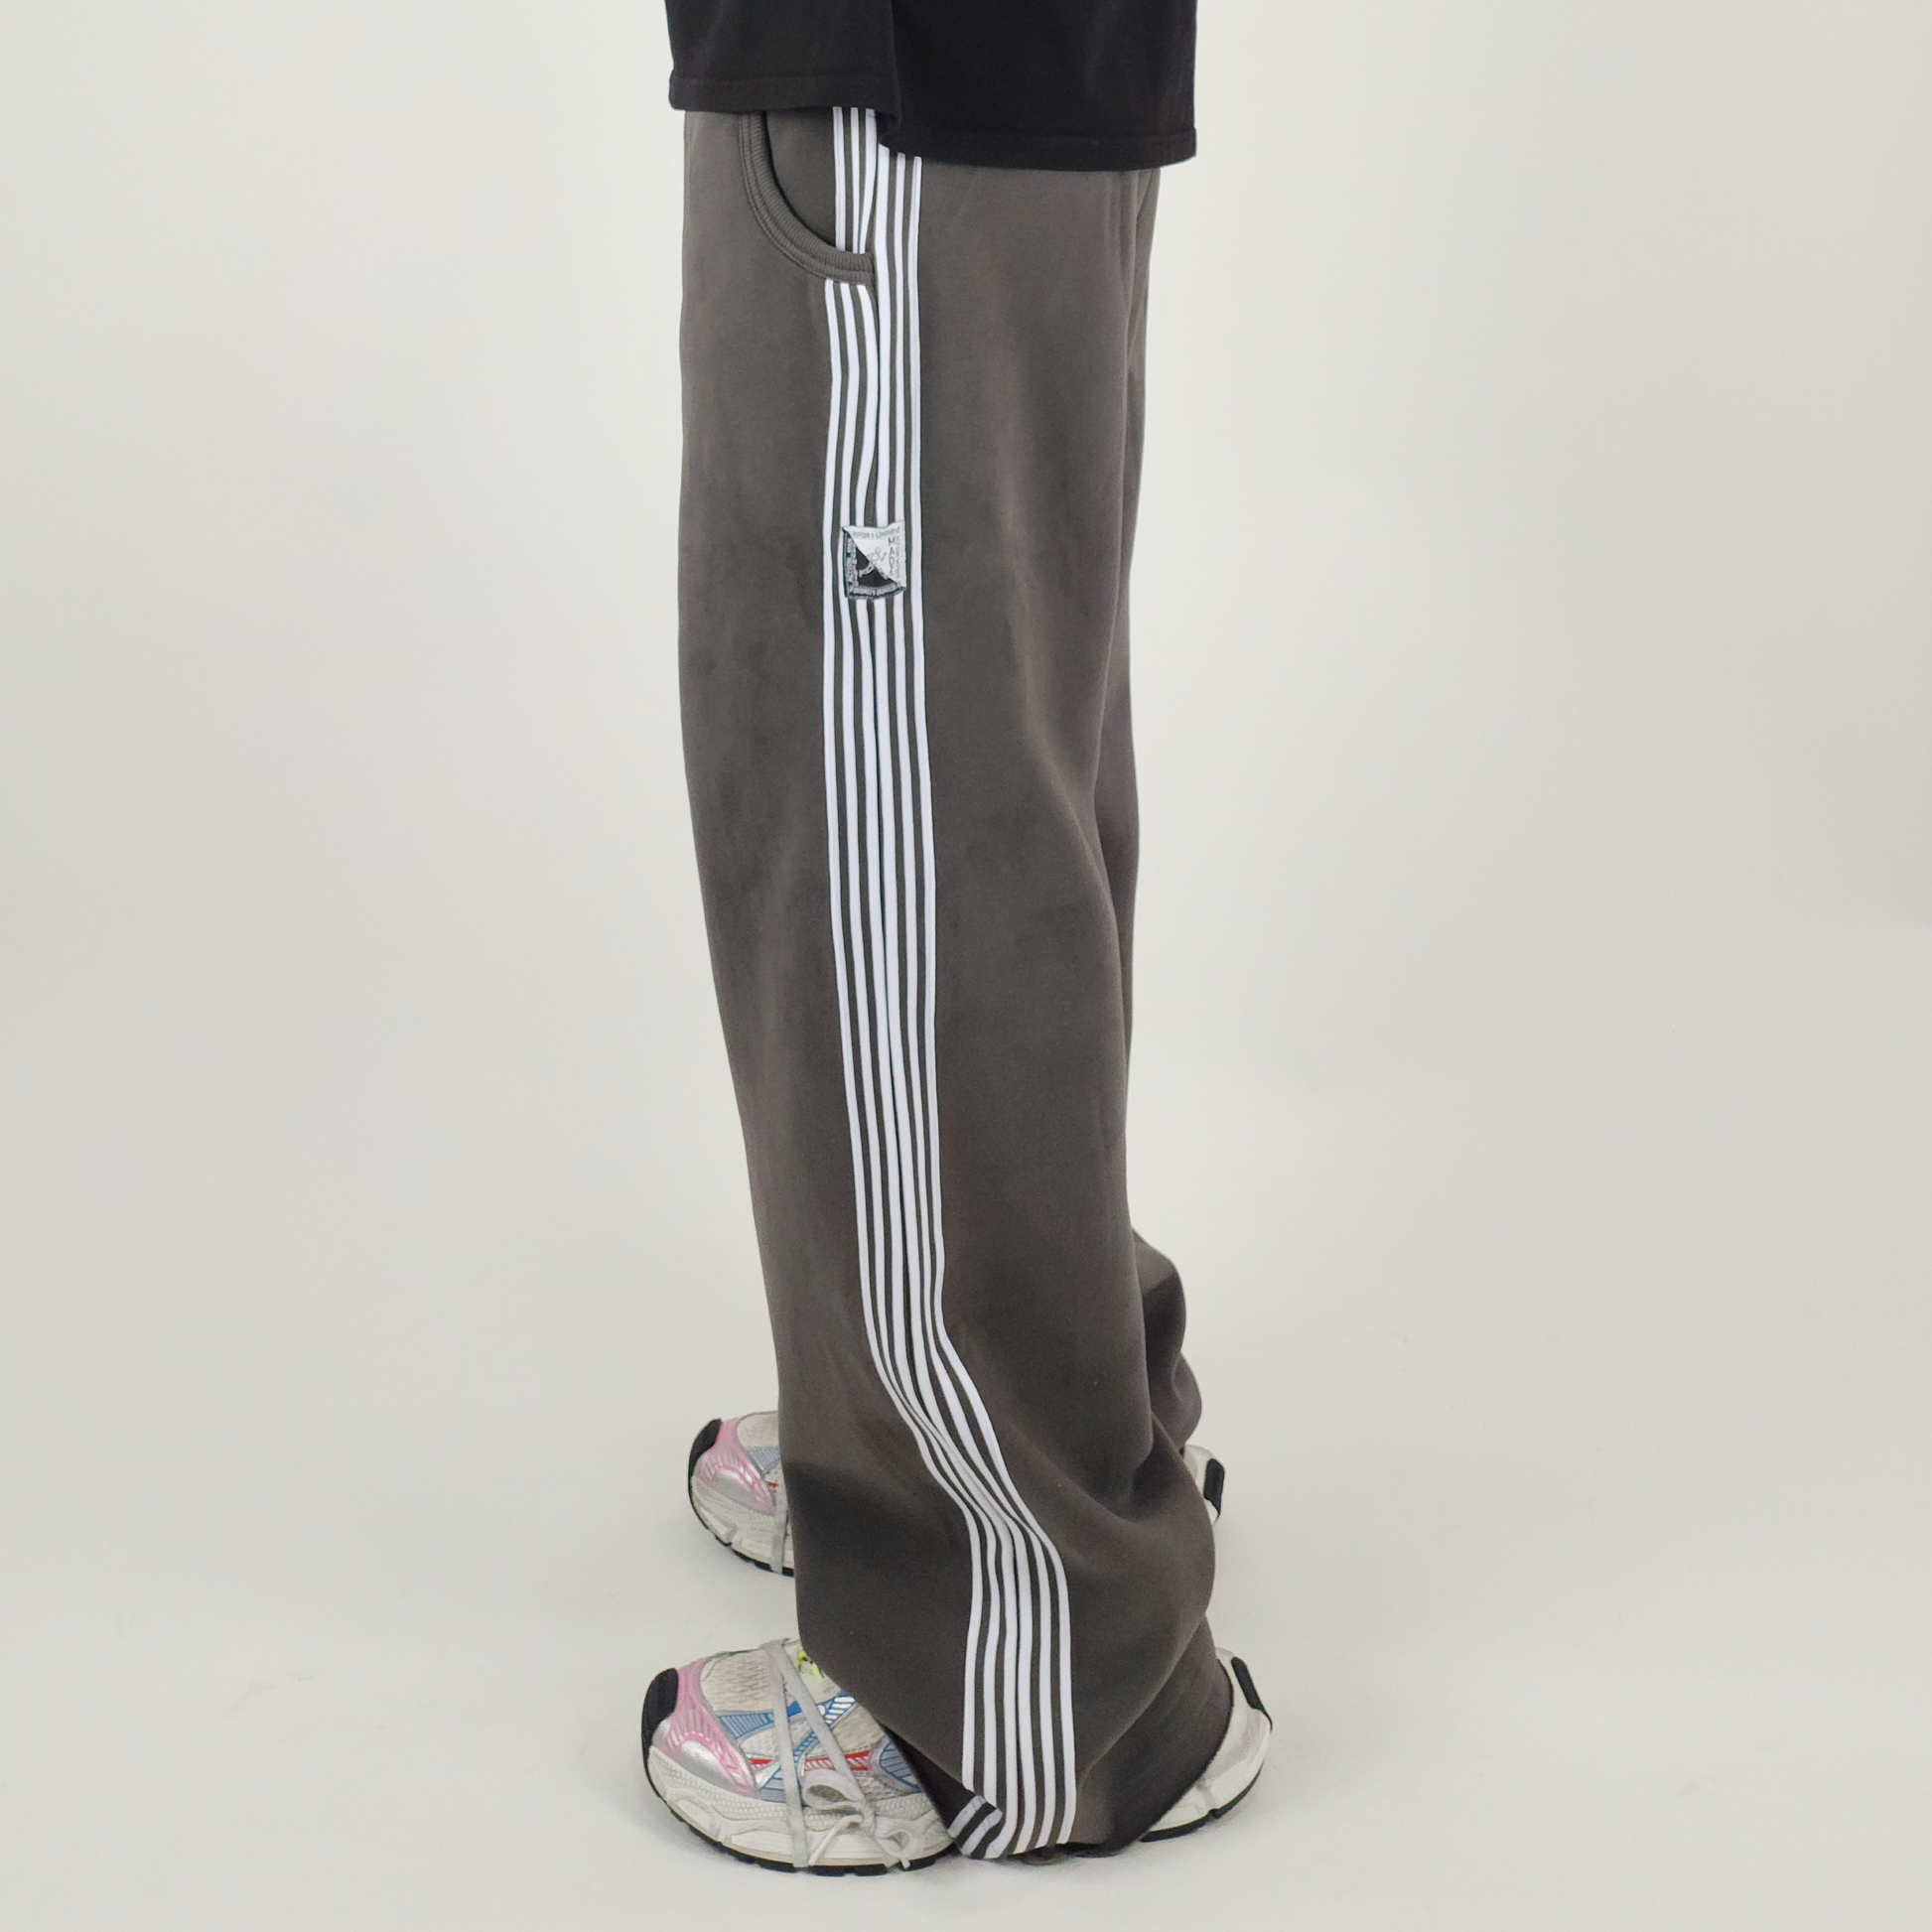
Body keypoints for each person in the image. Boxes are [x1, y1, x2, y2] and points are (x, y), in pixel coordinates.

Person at [640, 2, 1270, 1869]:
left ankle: (1016, 1638)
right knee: (984, 759)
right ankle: (1037, 1412)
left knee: (882, 802)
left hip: (897, 77)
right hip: (967, 80)